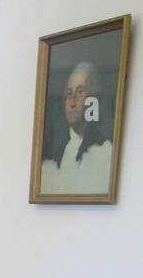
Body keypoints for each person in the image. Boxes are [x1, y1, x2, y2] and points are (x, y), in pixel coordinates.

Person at [41, 60, 113, 194]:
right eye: (69, 93)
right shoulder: (53, 151)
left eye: (80, 92)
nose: (72, 102)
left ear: (92, 99)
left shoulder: (105, 150)